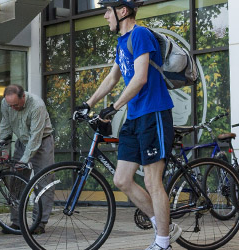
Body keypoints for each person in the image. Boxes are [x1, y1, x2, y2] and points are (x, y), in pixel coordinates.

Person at [74, 0, 181, 249]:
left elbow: (141, 78)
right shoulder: (123, 42)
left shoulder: (140, 34)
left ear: (122, 11)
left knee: (152, 182)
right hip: (134, 118)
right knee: (122, 179)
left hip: (153, 113)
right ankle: (163, 226)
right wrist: (88, 103)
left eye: (107, 11)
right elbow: (113, 77)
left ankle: (163, 242)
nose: (105, 16)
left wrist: (114, 107)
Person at [0, 84, 54, 234]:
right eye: (10, 105)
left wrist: (24, 161)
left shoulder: (37, 105)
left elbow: (35, 137)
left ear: (23, 97)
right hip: (22, 142)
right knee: (16, 181)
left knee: (44, 182)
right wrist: (3, 150)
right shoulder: (6, 104)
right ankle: (17, 222)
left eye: (16, 105)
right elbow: (5, 125)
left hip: (42, 143)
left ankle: (39, 224)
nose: (13, 108)